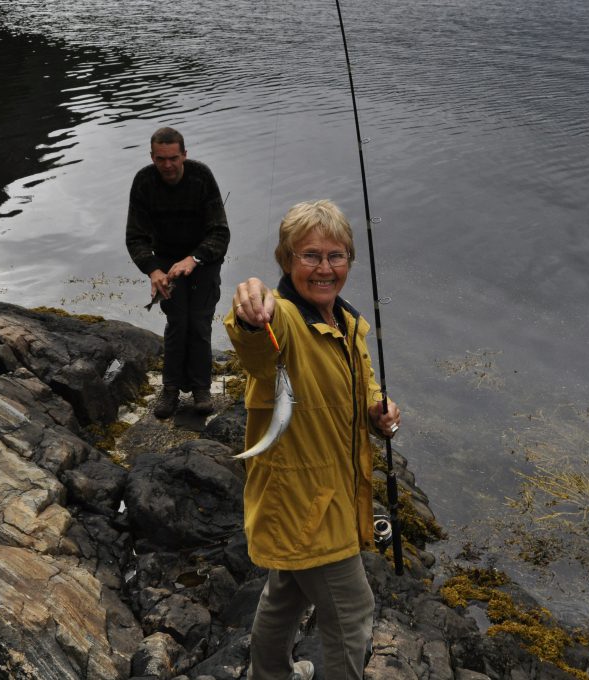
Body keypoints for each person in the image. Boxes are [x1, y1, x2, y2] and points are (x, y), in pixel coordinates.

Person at [223, 199, 401, 680]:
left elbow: (358, 382)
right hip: (306, 507)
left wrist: (376, 408)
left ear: (349, 261)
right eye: (310, 256)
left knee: (285, 594)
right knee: (353, 615)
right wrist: (249, 309)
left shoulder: (344, 322)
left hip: (330, 495)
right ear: (285, 260)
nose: (325, 268)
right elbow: (257, 339)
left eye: (336, 256)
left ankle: (270, 674)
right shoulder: (284, 322)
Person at [126, 127, 230, 418]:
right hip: (166, 259)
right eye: (161, 159)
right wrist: (153, 270)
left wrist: (194, 258)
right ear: (152, 157)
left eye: (173, 158)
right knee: (176, 321)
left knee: (199, 322)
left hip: (204, 258)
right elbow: (135, 237)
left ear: (184, 154)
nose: (168, 165)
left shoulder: (201, 177)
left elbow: (220, 233)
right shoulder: (144, 182)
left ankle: (201, 389)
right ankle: (170, 389)